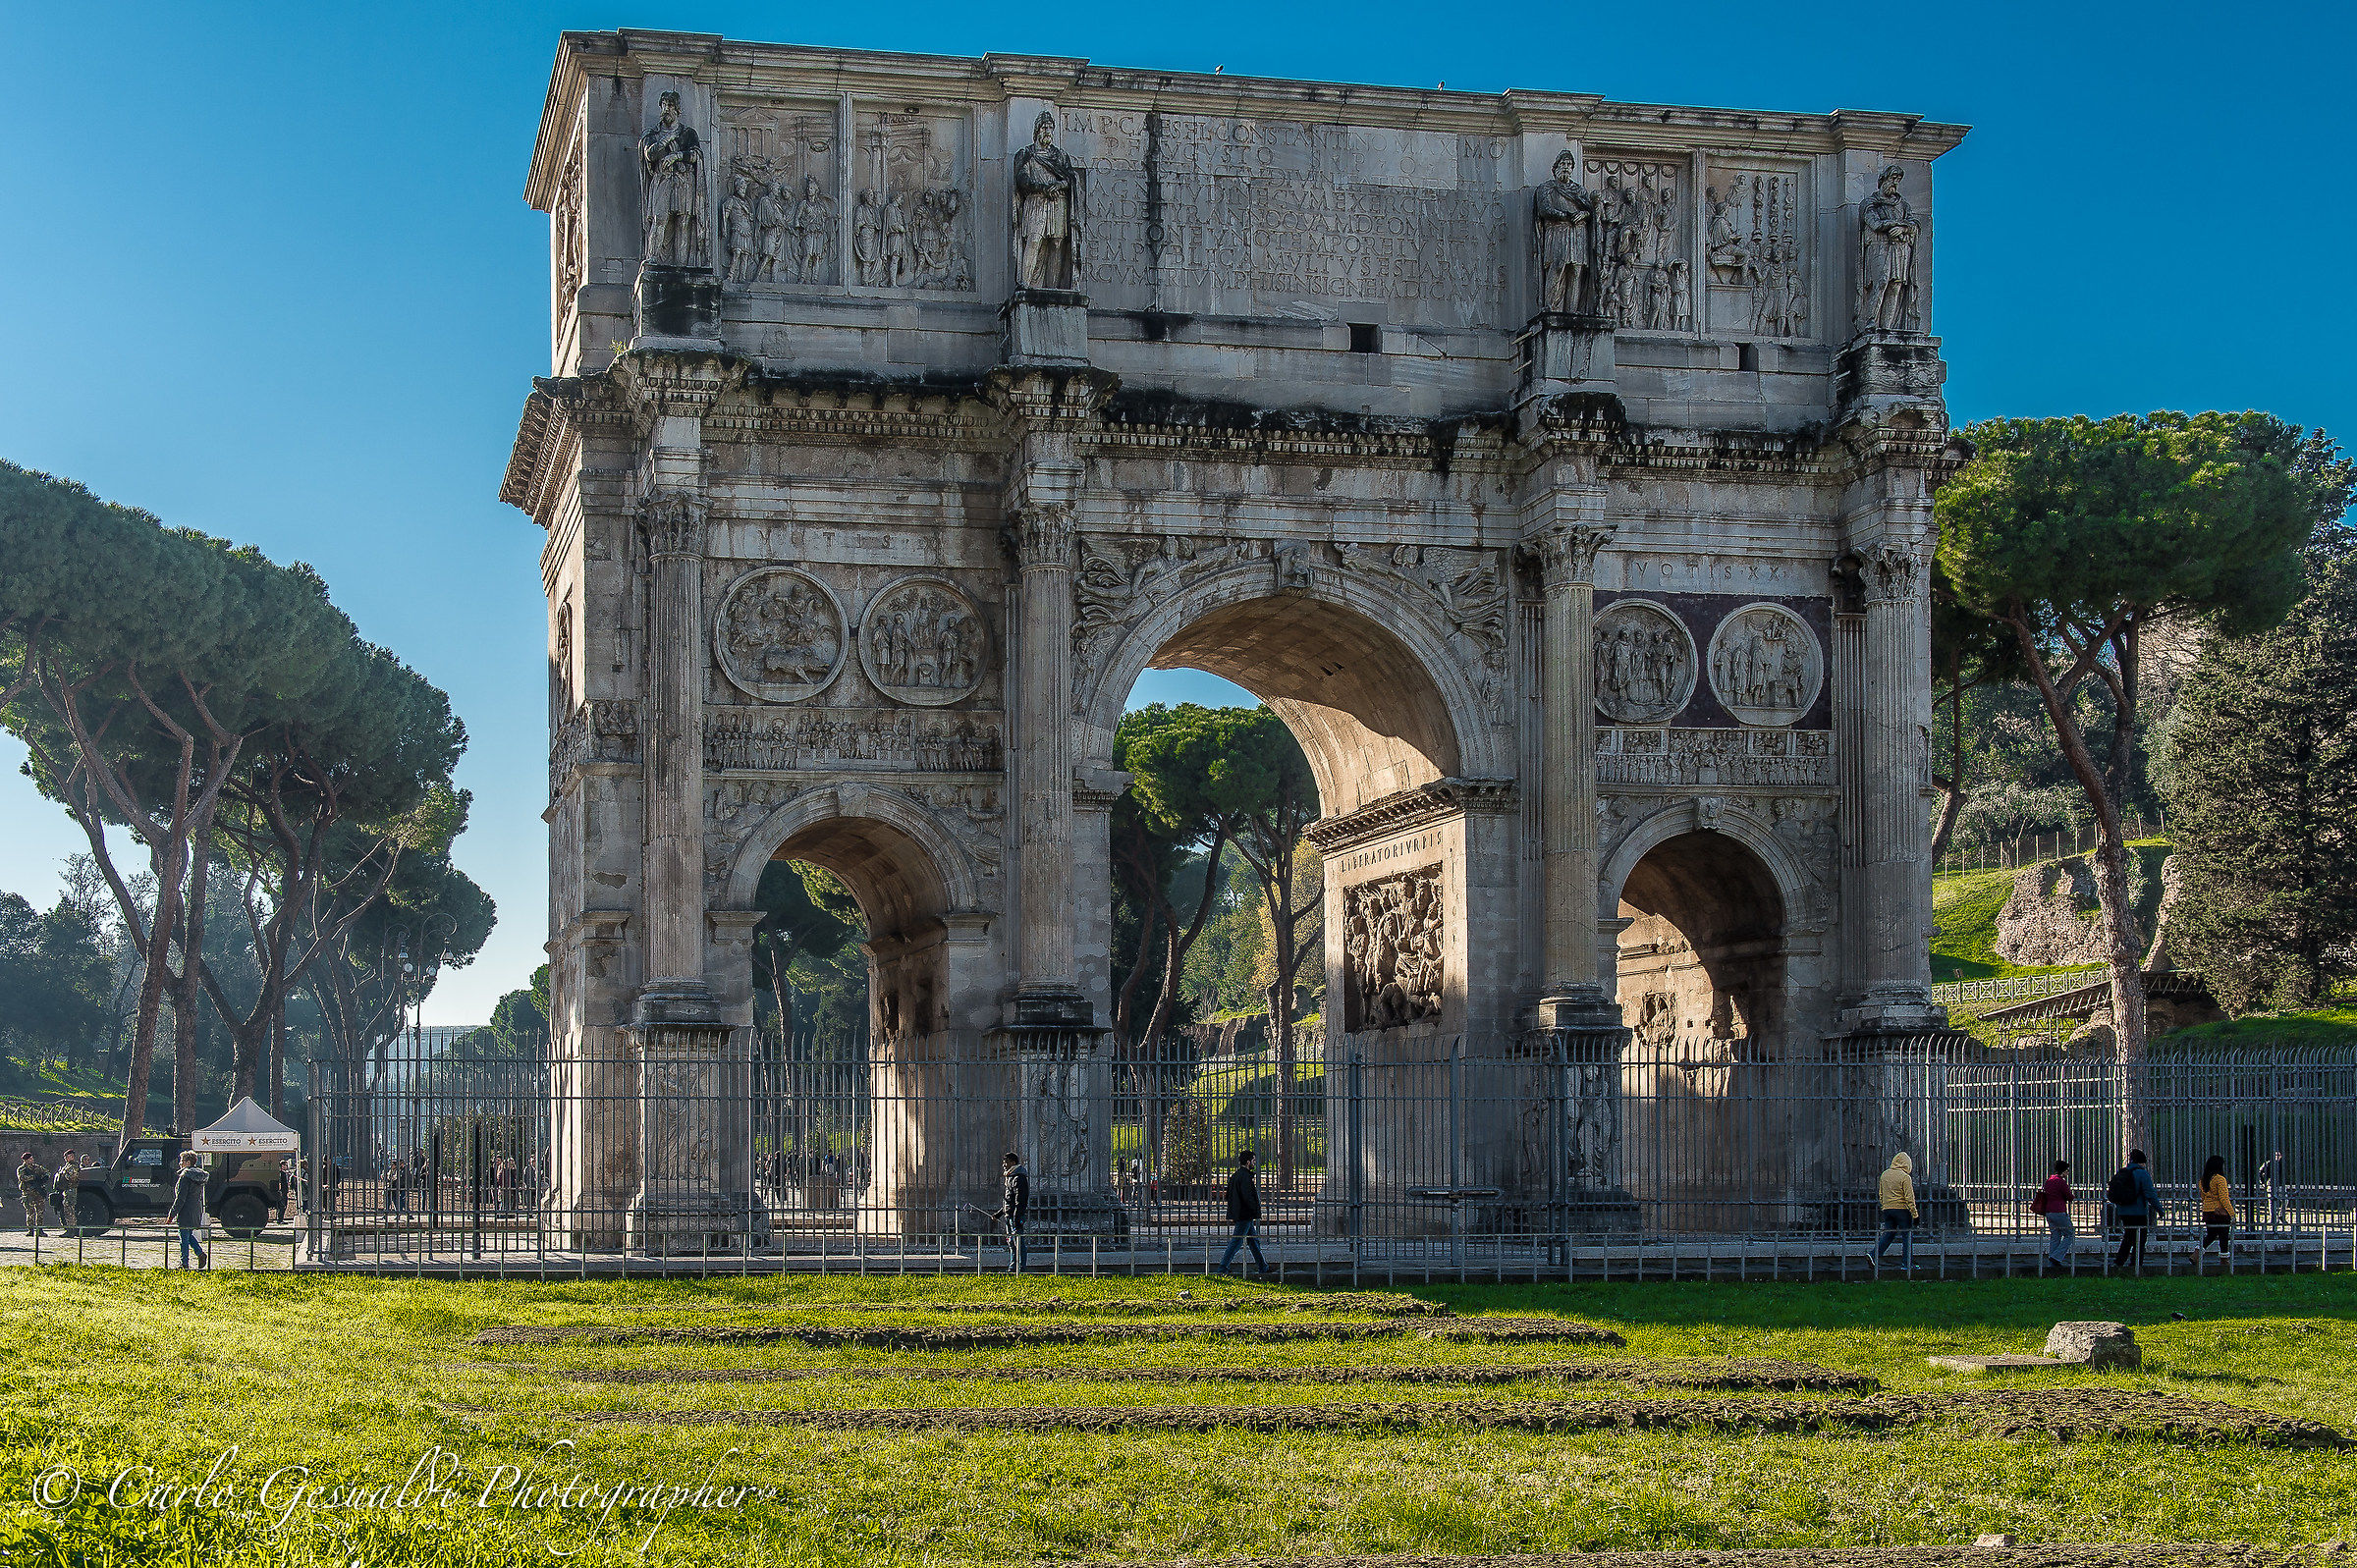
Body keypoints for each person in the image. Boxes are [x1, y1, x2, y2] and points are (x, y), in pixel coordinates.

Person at [2106, 1149, 2164, 1271]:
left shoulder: (2123, 1172)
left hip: (2123, 1211)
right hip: (2138, 1212)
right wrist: (2159, 1209)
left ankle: (2120, 1261)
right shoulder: (2142, 1174)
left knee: (2129, 1235)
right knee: (2140, 1238)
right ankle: (2135, 1263)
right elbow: (2150, 1194)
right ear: (2143, 1162)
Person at [1219, 1150, 1268, 1276]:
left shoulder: (1235, 1176)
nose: (1254, 1163)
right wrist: (1254, 1210)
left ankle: (1263, 1266)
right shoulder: (1245, 1177)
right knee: (1237, 1241)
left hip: (1240, 1213)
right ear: (1248, 1162)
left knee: (1253, 1241)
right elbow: (1248, 1197)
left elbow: (1228, 1195)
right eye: (1253, 1161)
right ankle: (1222, 1267)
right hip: (1245, 1214)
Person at [1872, 1152, 1918, 1271]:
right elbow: (1909, 1198)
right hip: (1902, 1211)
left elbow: (1881, 1194)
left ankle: (1873, 1255)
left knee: (1888, 1234)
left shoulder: (1885, 1175)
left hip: (1888, 1210)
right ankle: (1907, 1264)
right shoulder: (1905, 1177)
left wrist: (1884, 1206)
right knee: (1907, 1236)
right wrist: (1915, 1214)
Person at [990, 1152, 1030, 1273]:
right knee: (1011, 1243)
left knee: (1018, 1242)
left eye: (1006, 1162)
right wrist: (999, 1214)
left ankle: (1020, 1268)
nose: (1004, 1165)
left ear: (1013, 1162)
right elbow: (1009, 1201)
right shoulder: (1010, 1177)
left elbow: (1020, 1200)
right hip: (1009, 1216)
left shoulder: (1019, 1177)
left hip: (1015, 1216)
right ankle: (1013, 1267)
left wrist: (1017, 1217)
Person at [170, 1151, 209, 1271]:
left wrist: (172, 1214)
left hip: (186, 1211)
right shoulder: (198, 1177)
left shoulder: (185, 1177)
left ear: (187, 1162)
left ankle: (184, 1263)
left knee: (183, 1238)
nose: (180, 1164)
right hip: (195, 1210)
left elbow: (180, 1198)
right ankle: (200, 1254)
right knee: (188, 1235)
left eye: (181, 1161)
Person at [2031, 1160, 2074, 1270]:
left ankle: (2052, 1262)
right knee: (2070, 1234)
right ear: (2063, 1171)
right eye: (2067, 1171)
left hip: (2049, 1212)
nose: (2068, 1173)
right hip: (2059, 1211)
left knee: (2055, 1236)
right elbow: (2069, 1197)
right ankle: (2056, 1257)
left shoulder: (2048, 1181)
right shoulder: (2061, 1182)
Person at [2198, 1153, 2235, 1266]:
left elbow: (2203, 1197)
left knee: (2211, 1235)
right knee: (2224, 1235)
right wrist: (2232, 1213)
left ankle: (2197, 1252)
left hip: (2207, 1211)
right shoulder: (2220, 1179)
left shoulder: (2203, 1180)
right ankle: (2224, 1259)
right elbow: (2224, 1199)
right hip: (2219, 1212)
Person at [16, 1150, 50, 1238]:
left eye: (32, 1158)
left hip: (38, 1192)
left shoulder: (37, 1167)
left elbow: (47, 1172)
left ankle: (40, 1229)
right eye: (30, 1159)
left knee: (40, 1211)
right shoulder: (21, 1169)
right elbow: (22, 1178)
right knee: (30, 1211)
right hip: (28, 1193)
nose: (32, 1160)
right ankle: (30, 1230)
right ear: (26, 1160)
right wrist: (33, 1177)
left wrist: (45, 1177)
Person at [51, 1148, 80, 1237]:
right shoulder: (67, 1166)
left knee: (69, 1210)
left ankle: (71, 1230)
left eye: (67, 1156)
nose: (66, 1158)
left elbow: (71, 1177)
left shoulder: (73, 1166)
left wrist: (63, 1174)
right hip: (66, 1190)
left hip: (70, 1190)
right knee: (67, 1210)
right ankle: (69, 1229)